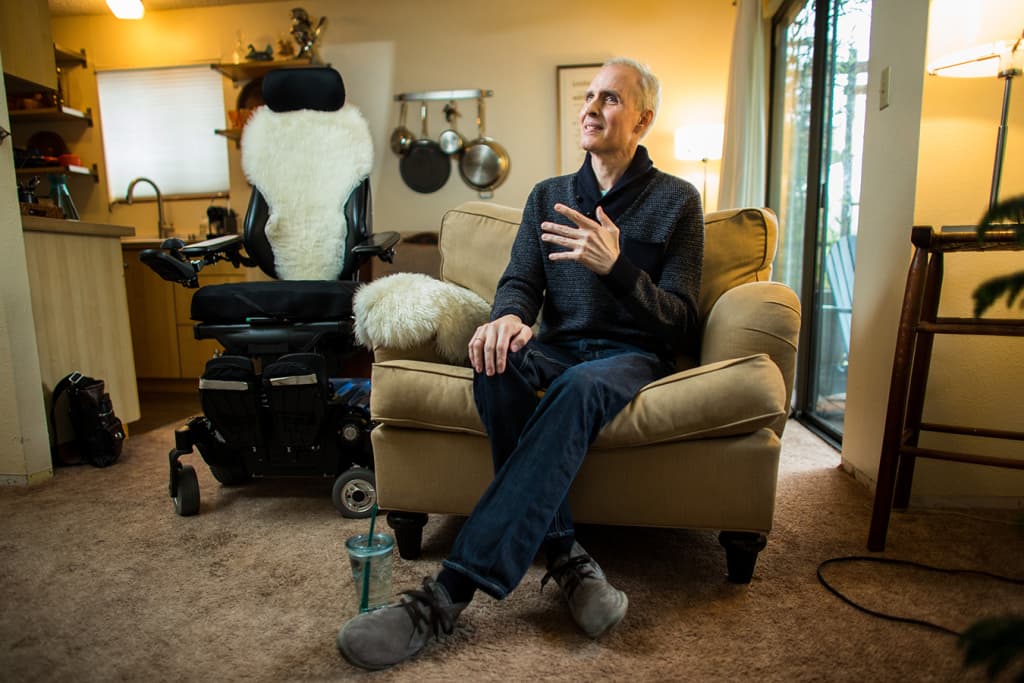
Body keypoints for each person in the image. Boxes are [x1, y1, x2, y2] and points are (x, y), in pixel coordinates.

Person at [337, 57, 705, 671]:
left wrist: (616, 267)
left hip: (630, 356)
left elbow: (682, 320)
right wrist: (508, 318)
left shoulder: (677, 201)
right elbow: (519, 284)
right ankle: (564, 556)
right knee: (495, 360)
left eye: (610, 99)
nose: (591, 107)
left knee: (580, 388)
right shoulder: (549, 196)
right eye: (588, 95)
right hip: (557, 346)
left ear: (642, 119)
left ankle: (444, 598)